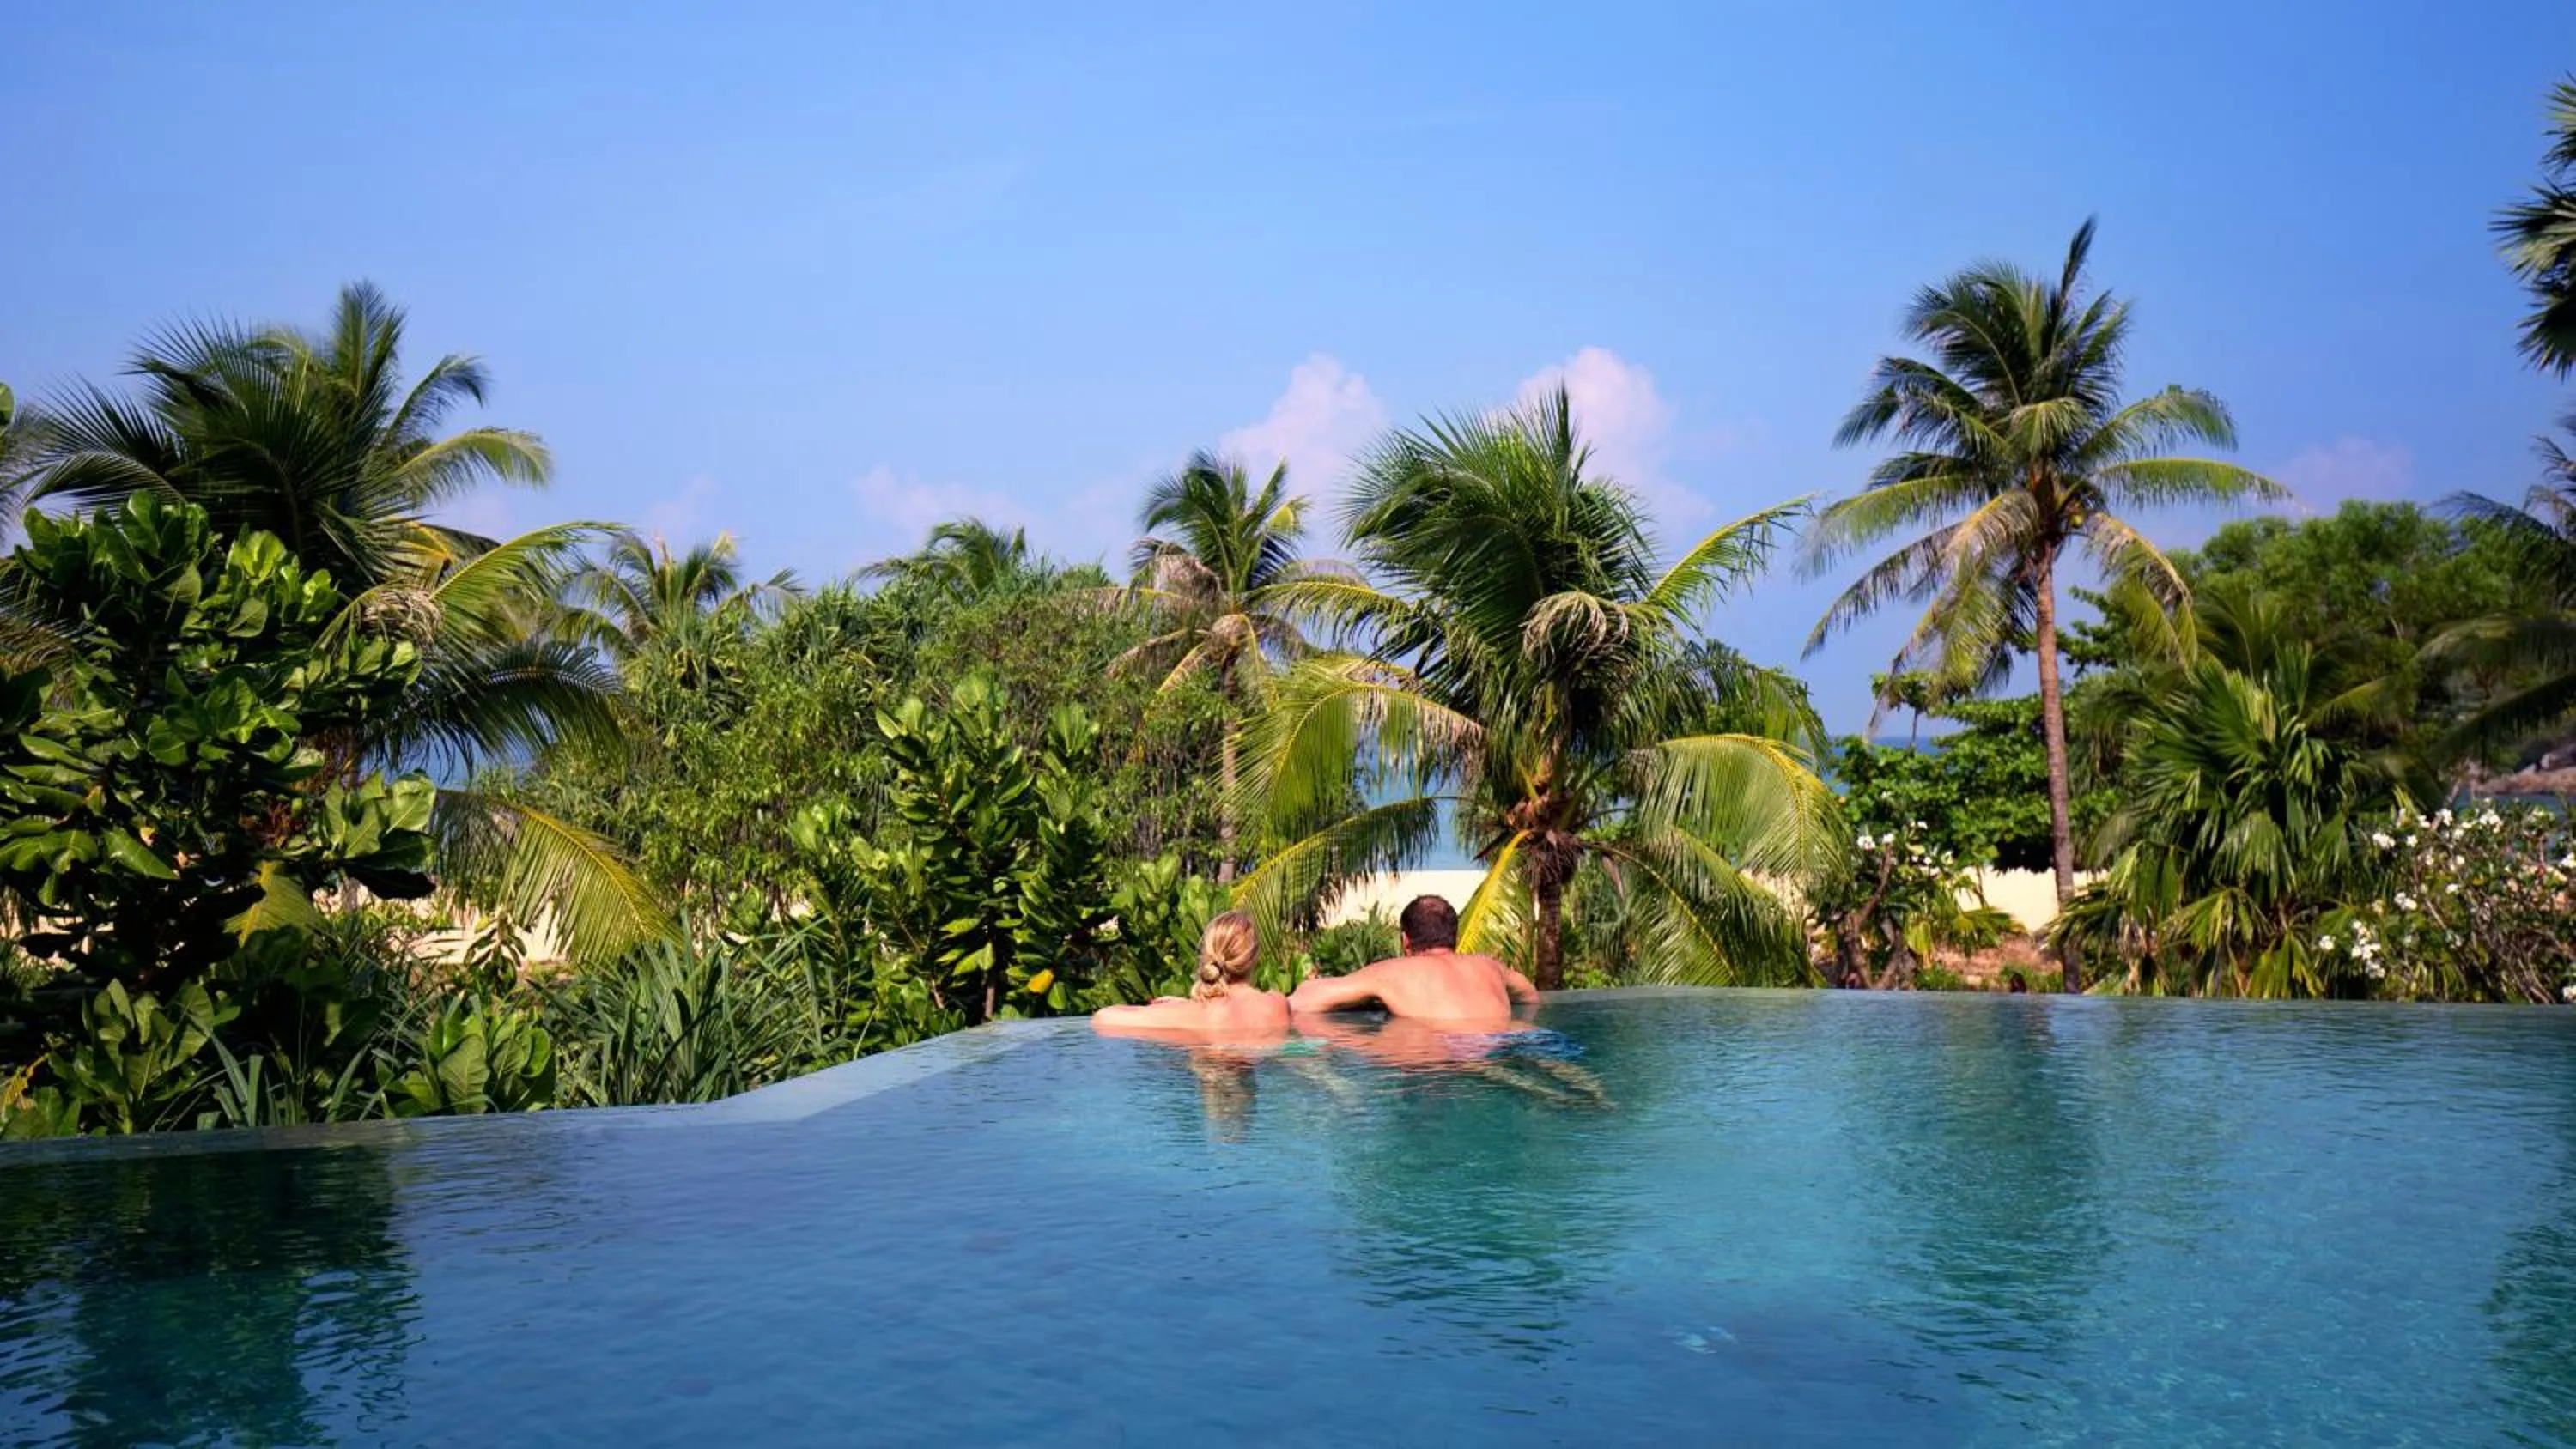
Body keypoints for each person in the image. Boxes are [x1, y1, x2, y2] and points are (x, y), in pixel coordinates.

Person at [1286, 895, 1539, 1022]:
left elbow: (1302, 1001)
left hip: (1435, 1060)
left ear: (1405, 941)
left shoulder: (1393, 972)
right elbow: (1530, 996)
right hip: (1508, 1043)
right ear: (1454, 937)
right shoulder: (1488, 965)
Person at [1092, 911, 1291, 1035]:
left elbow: (1103, 1018)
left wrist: (1182, 1007)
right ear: (1254, 957)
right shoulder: (1277, 1004)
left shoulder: (1196, 1014)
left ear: (1208, 953)